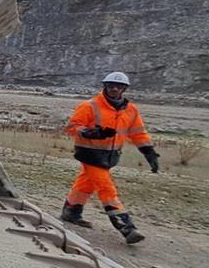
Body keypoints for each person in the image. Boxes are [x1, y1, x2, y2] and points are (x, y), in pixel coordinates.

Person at [60, 72, 160, 244]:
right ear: (104, 86)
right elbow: (72, 127)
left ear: (124, 89)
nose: (114, 89)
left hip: (110, 156)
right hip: (89, 154)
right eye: (111, 85)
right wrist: (91, 133)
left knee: (86, 183)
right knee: (106, 187)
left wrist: (149, 152)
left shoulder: (131, 110)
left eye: (119, 86)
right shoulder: (90, 106)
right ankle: (126, 227)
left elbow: (138, 133)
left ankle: (71, 211)